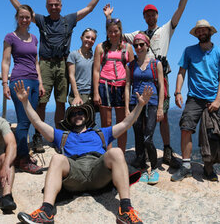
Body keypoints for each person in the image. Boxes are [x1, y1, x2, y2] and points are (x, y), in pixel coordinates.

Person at [13, 80, 151, 224]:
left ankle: (125, 210)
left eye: (80, 112)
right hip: (75, 172)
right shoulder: (62, 135)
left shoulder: (101, 133)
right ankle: (46, 212)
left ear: (86, 116)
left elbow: (125, 124)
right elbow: (38, 123)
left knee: (116, 152)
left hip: (98, 170)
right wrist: (25, 102)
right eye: (74, 114)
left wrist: (140, 105)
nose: (77, 115)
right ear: (69, 119)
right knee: (57, 158)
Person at [0, 0, 110, 149]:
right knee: (41, 102)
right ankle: (37, 136)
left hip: (63, 64)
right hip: (44, 64)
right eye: (51, 5)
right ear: (47, 6)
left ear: (61, 6)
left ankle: (59, 137)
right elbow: (22, 10)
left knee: (60, 102)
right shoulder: (42, 20)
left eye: (56, 4)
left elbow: (89, 8)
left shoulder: (69, 20)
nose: (54, 7)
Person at [103, 0, 194, 168]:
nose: (151, 16)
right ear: (144, 17)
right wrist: (109, 17)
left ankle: (167, 149)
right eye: (148, 14)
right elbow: (115, 34)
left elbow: (180, 9)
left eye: (153, 14)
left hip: (159, 73)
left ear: (157, 16)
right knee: (142, 117)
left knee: (163, 115)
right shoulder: (137, 35)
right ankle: (143, 151)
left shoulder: (166, 30)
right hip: (140, 76)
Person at [171, 19, 220, 182]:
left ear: (210, 32)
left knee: (213, 134)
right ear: (196, 34)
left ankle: (209, 167)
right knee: (186, 128)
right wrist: (177, 92)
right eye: (199, 31)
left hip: (213, 99)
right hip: (194, 98)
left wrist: (218, 100)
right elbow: (181, 72)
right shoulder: (189, 51)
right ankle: (186, 166)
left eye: (204, 30)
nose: (201, 33)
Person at [1, 4, 45, 174]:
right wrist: (5, 84)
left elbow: (36, 62)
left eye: (28, 17)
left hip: (34, 81)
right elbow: (5, 62)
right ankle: (24, 160)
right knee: (24, 121)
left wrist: (40, 83)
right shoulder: (10, 37)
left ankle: (22, 155)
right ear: (17, 18)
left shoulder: (34, 38)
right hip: (19, 80)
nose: (25, 20)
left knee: (32, 118)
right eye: (22, 17)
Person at [125, 33, 164, 185]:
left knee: (148, 136)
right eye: (136, 45)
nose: (139, 48)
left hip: (152, 102)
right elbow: (128, 85)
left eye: (142, 44)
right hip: (135, 103)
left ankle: (153, 168)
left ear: (148, 45)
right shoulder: (131, 65)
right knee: (137, 133)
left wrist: (160, 107)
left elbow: (160, 85)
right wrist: (128, 108)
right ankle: (141, 165)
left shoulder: (156, 64)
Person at [93, 18, 134, 152]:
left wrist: (130, 90)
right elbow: (96, 70)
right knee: (107, 123)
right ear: (107, 32)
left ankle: (121, 154)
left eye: (116, 31)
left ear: (120, 31)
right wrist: (96, 93)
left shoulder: (127, 47)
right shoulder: (100, 47)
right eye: (110, 31)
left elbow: (132, 69)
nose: (113, 34)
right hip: (104, 85)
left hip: (122, 86)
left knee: (122, 124)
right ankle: (108, 154)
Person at [67, 28, 97, 106]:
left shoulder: (94, 58)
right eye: (87, 37)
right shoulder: (74, 55)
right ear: (81, 38)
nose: (90, 40)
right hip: (78, 94)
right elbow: (71, 76)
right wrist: (77, 96)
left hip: (91, 95)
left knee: (91, 118)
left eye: (92, 39)